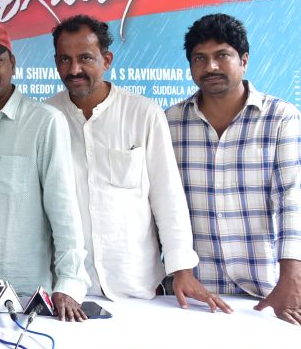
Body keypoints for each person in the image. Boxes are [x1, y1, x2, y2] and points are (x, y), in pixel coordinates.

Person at [45, 15, 230, 311]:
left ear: (107, 60)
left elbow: (167, 196)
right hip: (68, 289)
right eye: (64, 59)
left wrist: (182, 270)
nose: (74, 69)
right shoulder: (46, 118)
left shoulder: (143, 113)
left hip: (138, 286)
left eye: (85, 58)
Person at [167, 14, 301, 328]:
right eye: (199, 58)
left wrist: (292, 278)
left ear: (244, 60)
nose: (210, 67)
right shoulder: (170, 122)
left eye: (222, 55)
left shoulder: (280, 117)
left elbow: (294, 200)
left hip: (264, 291)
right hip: (193, 293)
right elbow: (162, 204)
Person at [0, 22, 91, 321]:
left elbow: (63, 210)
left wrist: (69, 283)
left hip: (23, 299)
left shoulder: (44, 122)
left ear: (12, 63)